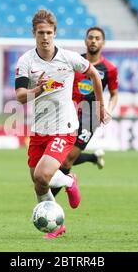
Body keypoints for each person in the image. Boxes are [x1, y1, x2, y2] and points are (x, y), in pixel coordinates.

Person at [15, 9, 106, 238]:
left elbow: (95, 75)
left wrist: (100, 107)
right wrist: (37, 89)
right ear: (33, 34)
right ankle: (57, 226)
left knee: (42, 176)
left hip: (64, 128)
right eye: (40, 33)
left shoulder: (69, 58)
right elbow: (19, 96)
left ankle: (68, 179)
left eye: (48, 32)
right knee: (39, 185)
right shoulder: (26, 61)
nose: (45, 37)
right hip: (39, 130)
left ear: (55, 33)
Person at [51, 27, 118, 197]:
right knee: (61, 155)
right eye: (90, 37)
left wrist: (108, 110)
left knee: (66, 160)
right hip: (68, 113)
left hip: (90, 117)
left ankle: (48, 201)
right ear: (85, 40)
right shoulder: (75, 62)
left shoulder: (109, 69)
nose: (93, 41)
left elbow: (114, 94)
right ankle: (93, 158)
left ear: (103, 43)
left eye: (97, 38)